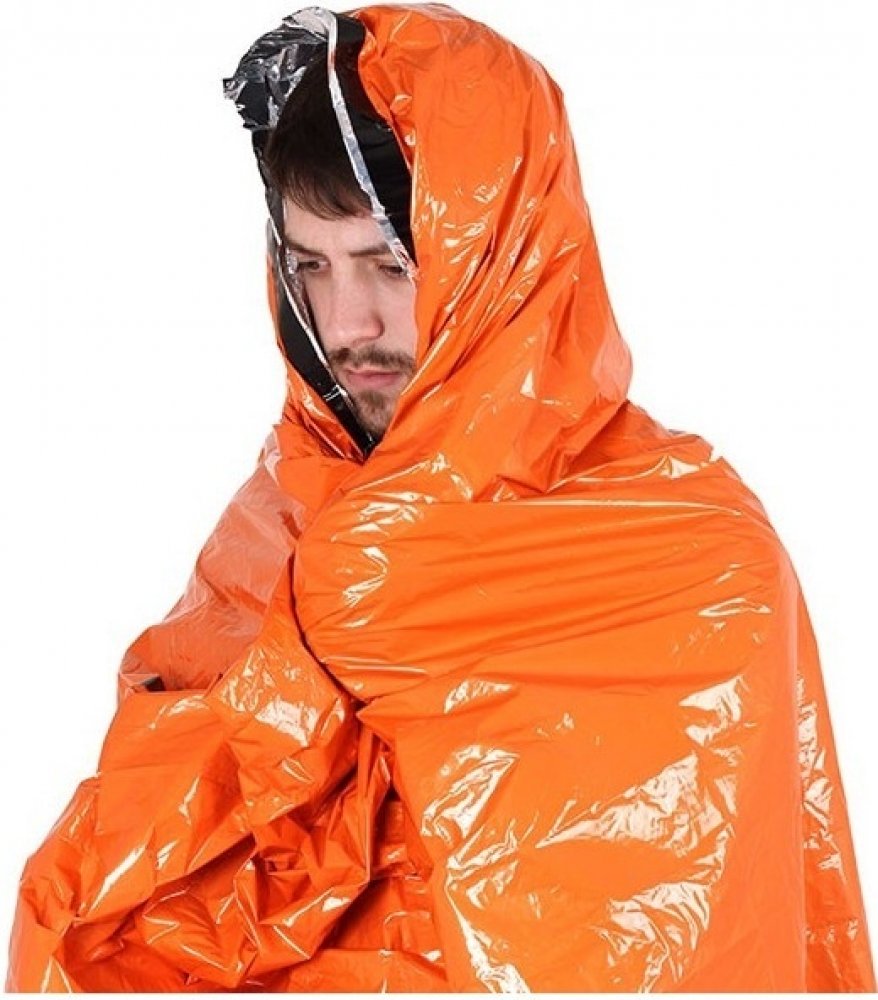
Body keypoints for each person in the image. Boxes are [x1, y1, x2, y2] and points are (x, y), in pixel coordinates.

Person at [7, 4, 875, 992]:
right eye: (310, 266)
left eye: (391, 264)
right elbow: (129, 888)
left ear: (502, 263)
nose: (348, 323)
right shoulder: (287, 513)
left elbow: (700, 947)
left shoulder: (689, 557)